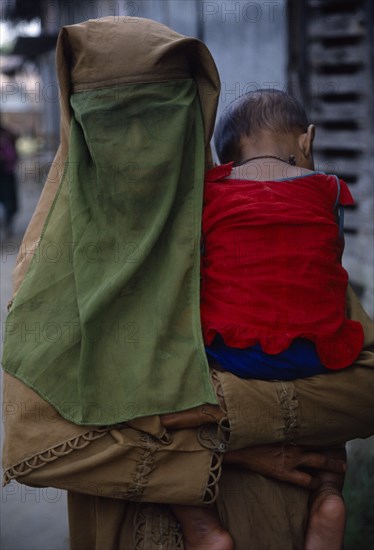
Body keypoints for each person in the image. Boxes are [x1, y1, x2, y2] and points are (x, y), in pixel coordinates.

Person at [2, 18, 373, 550]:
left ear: (194, 121)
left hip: (277, 527)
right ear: (78, 131)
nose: (138, 147)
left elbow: (364, 388)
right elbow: (38, 445)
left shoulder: (246, 237)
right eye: (111, 123)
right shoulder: (50, 274)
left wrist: (177, 414)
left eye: (158, 120)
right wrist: (228, 444)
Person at [165, 89, 363, 550]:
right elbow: (330, 257)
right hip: (317, 351)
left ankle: (202, 526)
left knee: (170, 395)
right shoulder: (328, 189)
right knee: (329, 416)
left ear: (226, 154)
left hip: (232, 353)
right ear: (307, 140)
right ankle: (328, 496)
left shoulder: (211, 190)